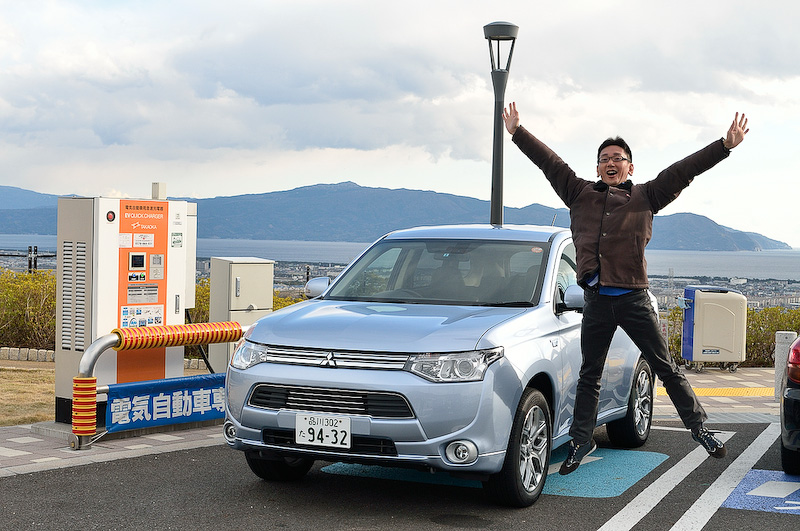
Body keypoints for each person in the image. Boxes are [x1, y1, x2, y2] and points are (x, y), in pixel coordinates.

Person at [502, 102, 749, 475]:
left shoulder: (646, 196)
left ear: (630, 167)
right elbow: (549, 162)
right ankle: (580, 441)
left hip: (633, 298)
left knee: (665, 367)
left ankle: (700, 428)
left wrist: (724, 146)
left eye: (618, 158)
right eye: (604, 158)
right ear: (597, 167)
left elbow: (684, 171)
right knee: (590, 374)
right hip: (596, 301)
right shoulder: (578, 193)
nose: (611, 162)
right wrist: (518, 132)